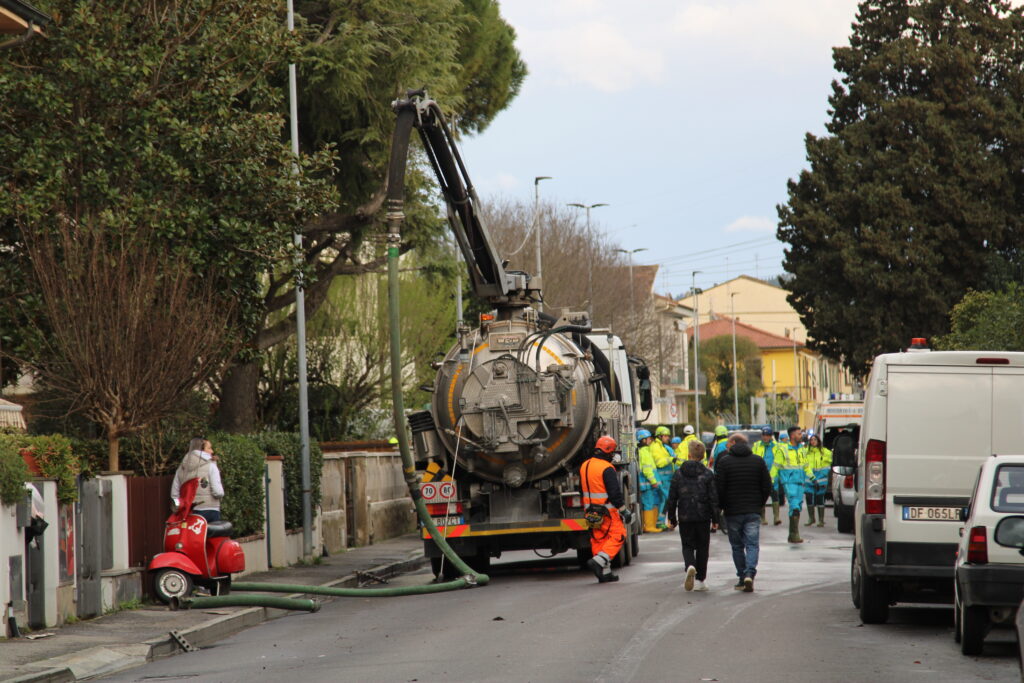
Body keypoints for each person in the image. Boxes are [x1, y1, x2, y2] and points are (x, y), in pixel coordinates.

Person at [715, 434, 772, 592]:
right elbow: (767, 485)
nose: (726, 446)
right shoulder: (758, 461)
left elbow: (719, 488)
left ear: (734, 443)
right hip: (753, 510)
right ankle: (749, 573)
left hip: (733, 511)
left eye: (728, 443)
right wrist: (759, 503)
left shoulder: (724, 462)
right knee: (752, 544)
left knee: (737, 546)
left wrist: (721, 506)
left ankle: (742, 577)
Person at [667, 439, 719, 591]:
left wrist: (672, 518)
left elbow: (672, 498)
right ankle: (700, 580)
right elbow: (713, 498)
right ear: (702, 456)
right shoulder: (708, 474)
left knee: (687, 545)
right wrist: (716, 519)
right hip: (703, 516)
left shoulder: (678, 474)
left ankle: (690, 565)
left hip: (685, 515)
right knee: (703, 547)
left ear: (689, 455)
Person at [581, 436, 632, 583]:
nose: (612, 455)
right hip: (606, 511)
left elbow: (581, 490)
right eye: (612, 452)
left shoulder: (585, 465)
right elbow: (614, 493)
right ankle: (598, 561)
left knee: (599, 539)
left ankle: (605, 572)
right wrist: (623, 509)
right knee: (619, 534)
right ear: (608, 451)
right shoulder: (607, 468)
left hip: (590, 510)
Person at [771, 426, 813, 543]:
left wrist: (813, 478)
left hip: (800, 482)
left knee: (797, 506)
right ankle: (795, 535)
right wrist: (771, 480)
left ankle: (792, 534)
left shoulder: (802, 449)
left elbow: (806, 466)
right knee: (794, 506)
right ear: (792, 436)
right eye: (799, 434)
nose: (801, 436)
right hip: (789, 482)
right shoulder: (783, 450)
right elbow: (775, 466)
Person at [171, 437, 224, 523]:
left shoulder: (180, 469)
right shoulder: (211, 466)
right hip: (210, 510)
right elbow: (218, 492)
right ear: (201, 450)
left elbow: (174, 494)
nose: (212, 451)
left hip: (188, 511)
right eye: (209, 448)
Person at [751, 427, 785, 525]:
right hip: (760, 474)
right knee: (762, 497)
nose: (765, 437)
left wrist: (774, 474)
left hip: (773, 474)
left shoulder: (776, 446)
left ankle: (776, 517)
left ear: (771, 436)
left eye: (768, 435)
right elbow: (753, 458)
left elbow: (779, 461)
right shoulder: (756, 445)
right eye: (764, 435)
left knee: (775, 495)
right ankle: (762, 518)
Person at [636, 429, 663, 533]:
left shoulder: (644, 451)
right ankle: (649, 526)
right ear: (643, 440)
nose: (650, 440)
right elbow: (647, 470)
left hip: (647, 484)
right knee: (648, 504)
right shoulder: (644, 452)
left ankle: (649, 525)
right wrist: (653, 482)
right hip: (648, 485)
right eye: (648, 439)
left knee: (649, 504)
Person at [804, 433, 832, 527]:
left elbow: (828, 466)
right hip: (809, 478)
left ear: (818, 441)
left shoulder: (826, 452)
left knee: (820, 498)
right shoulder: (806, 452)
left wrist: (820, 476)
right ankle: (811, 518)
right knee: (808, 497)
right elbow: (804, 465)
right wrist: (812, 477)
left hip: (821, 479)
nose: (813, 441)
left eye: (815, 439)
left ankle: (821, 520)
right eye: (811, 440)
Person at [653, 426, 676, 525]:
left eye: (668, 436)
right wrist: (670, 459)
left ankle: (661, 521)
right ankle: (660, 522)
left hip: (667, 479)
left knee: (666, 500)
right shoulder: (656, 447)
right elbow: (659, 463)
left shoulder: (664, 447)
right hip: (662, 479)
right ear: (659, 436)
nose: (668, 438)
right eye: (665, 436)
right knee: (665, 500)